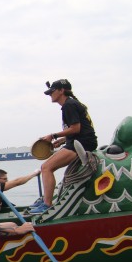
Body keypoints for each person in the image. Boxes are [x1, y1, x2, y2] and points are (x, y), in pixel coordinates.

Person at [32, 79, 98, 214]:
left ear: (61, 91)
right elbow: (82, 129)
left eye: (52, 91)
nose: (50, 94)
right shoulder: (72, 104)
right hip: (80, 141)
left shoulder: (69, 105)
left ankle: (47, 204)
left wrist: (53, 135)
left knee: (46, 167)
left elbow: (76, 128)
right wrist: (62, 140)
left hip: (81, 144)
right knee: (48, 167)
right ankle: (47, 198)